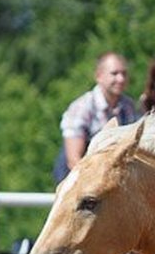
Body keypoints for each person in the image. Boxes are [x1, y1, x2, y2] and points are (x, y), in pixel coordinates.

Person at [54, 52, 137, 183]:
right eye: (114, 73)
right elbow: (73, 161)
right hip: (78, 184)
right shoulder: (81, 108)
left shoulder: (129, 106)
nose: (121, 79)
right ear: (99, 76)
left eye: (124, 73)